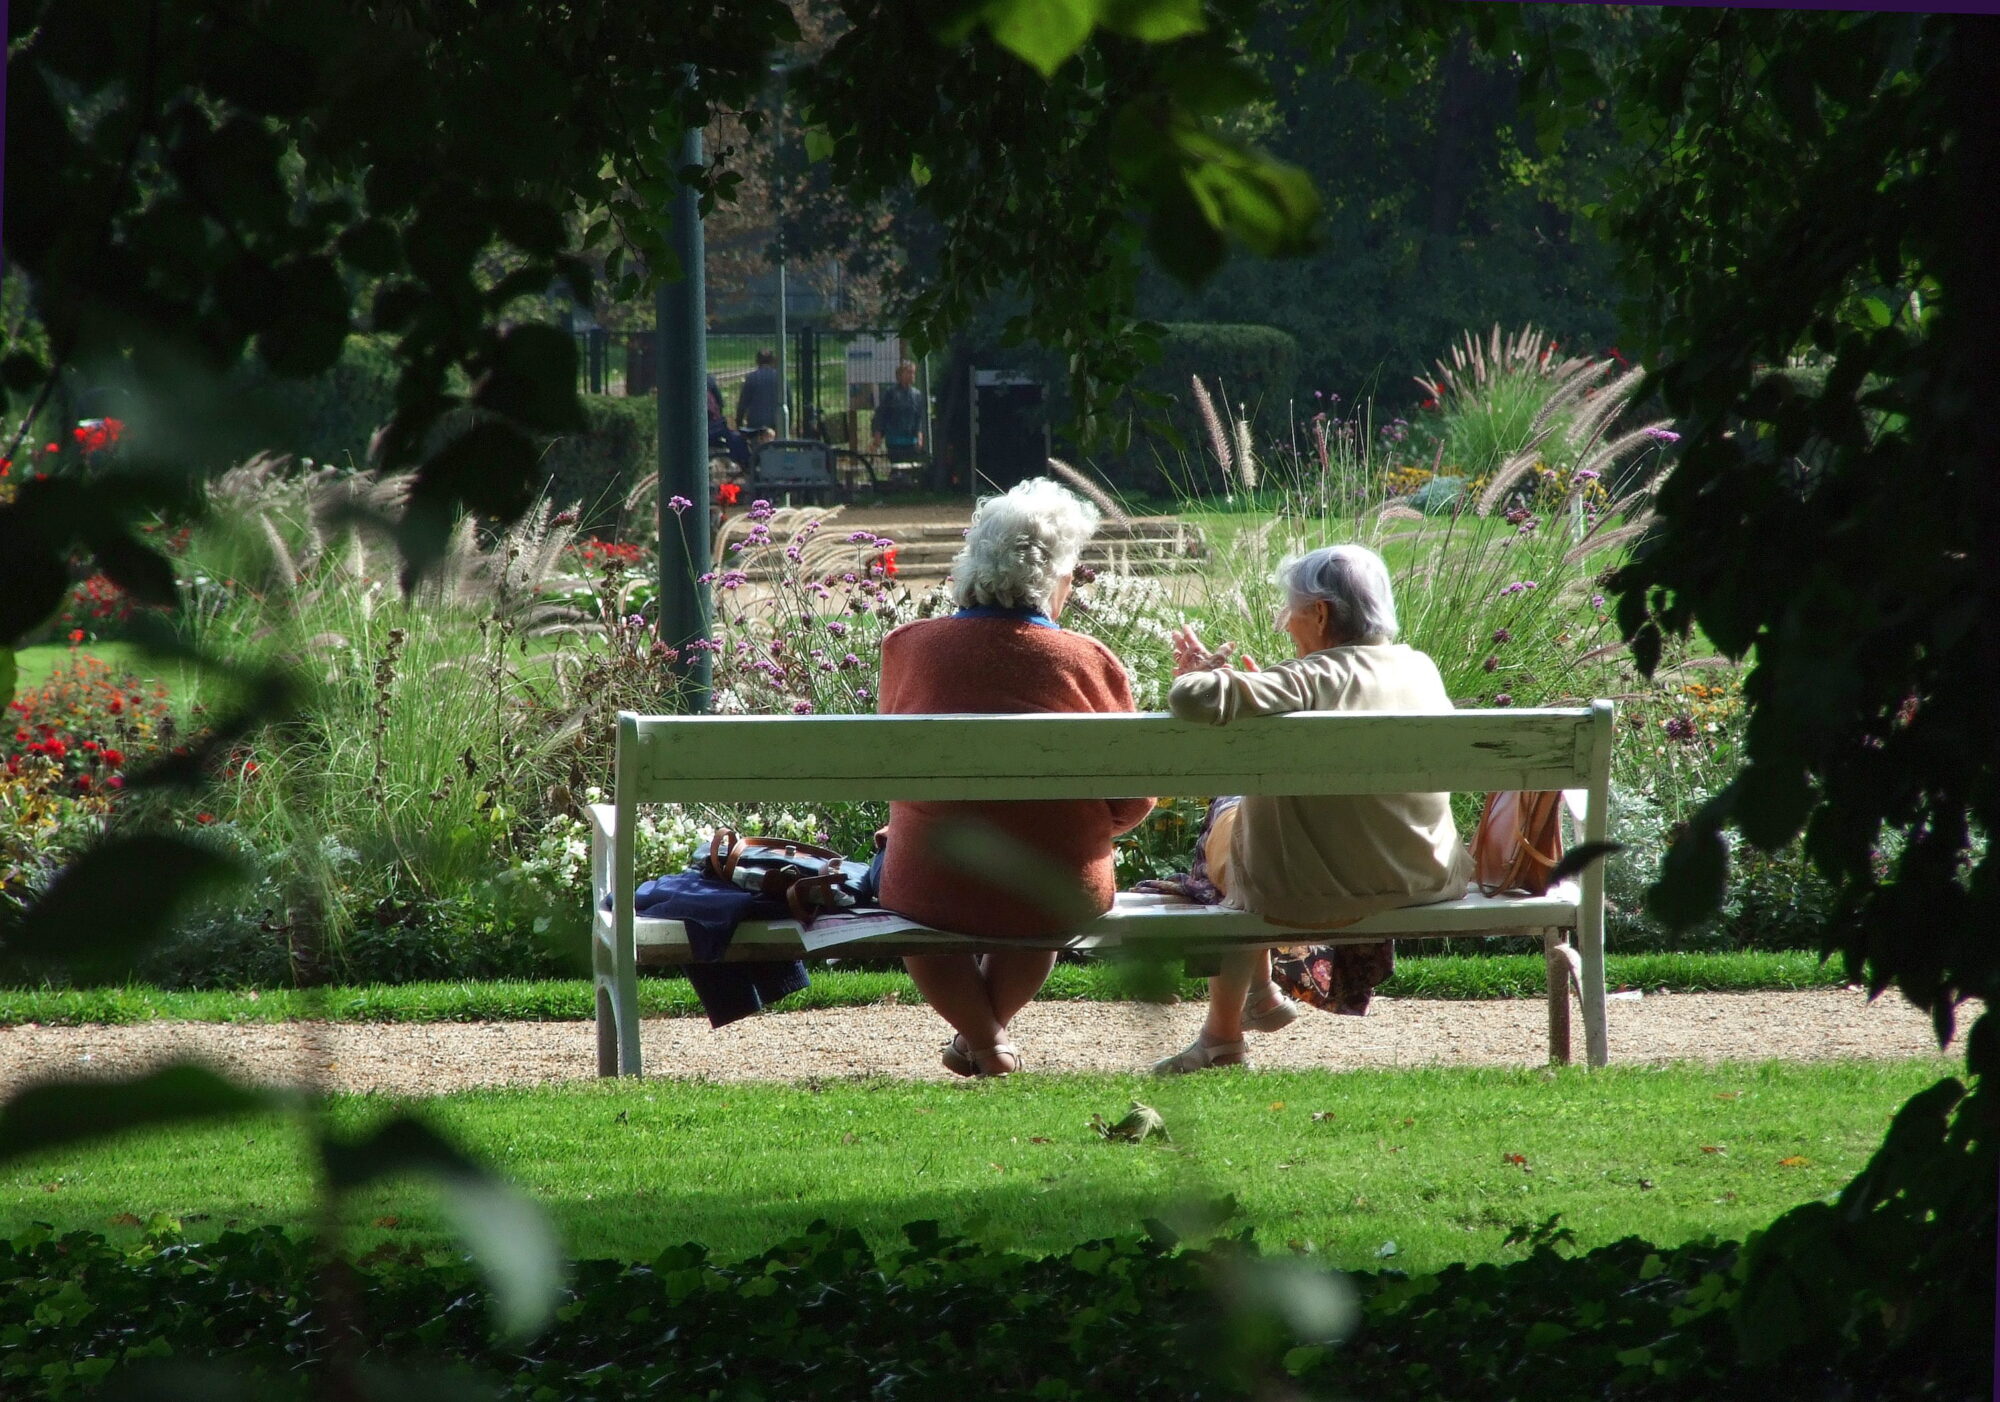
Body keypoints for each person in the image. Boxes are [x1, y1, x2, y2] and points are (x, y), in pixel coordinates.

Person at [1151, 544, 1474, 1074]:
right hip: (1424, 879)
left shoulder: (1308, 678)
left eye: (1289, 609)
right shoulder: (1420, 668)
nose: (1283, 623)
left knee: (1230, 813)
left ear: (1320, 612)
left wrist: (1199, 671)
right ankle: (1253, 1002)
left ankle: (1228, 1028)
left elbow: (1191, 700)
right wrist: (1262, 691)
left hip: (1303, 890)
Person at [875, 478, 1152, 1076]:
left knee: (918, 909)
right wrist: (1096, 827)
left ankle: (984, 1041)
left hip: (931, 877)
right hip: (1055, 881)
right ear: (1052, 577)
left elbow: (890, 768)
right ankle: (989, 1040)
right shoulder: (1088, 660)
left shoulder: (908, 647)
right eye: (1072, 572)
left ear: (972, 563)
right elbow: (1134, 795)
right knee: (1040, 902)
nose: (1073, 584)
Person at [871, 361, 926, 459]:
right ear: (900, 375)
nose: (912, 375)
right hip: (894, 441)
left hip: (911, 442)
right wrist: (878, 434)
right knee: (898, 470)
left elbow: (919, 418)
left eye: (913, 372)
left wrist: (919, 436)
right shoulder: (891, 393)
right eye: (908, 372)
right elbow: (881, 415)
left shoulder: (917, 395)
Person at [708, 374, 752, 471]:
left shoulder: (708, 382)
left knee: (732, 435)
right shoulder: (709, 381)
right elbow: (720, 404)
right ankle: (746, 464)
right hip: (712, 428)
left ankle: (744, 463)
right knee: (734, 437)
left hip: (712, 428)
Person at [736, 349, 783, 435]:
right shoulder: (780, 377)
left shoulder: (751, 378)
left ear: (757, 361)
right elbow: (789, 402)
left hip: (755, 424)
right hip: (776, 423)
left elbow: (743, 404)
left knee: (757, 446)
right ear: (772, 361)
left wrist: (739, 423)